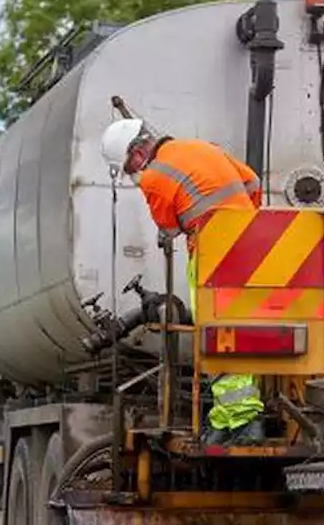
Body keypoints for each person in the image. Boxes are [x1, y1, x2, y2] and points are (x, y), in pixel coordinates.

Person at [101, 116, 265, 445]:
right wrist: (243, 220)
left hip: (211, 253)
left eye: (129, 167)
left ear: (135, 155)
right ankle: (230, 417)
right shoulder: (201, 146)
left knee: (216, 335)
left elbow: (170, 228)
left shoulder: (154, 177)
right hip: (252, 245)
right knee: (243, 330)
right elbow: (251, 180)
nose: (134, 174)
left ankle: (242, 420)